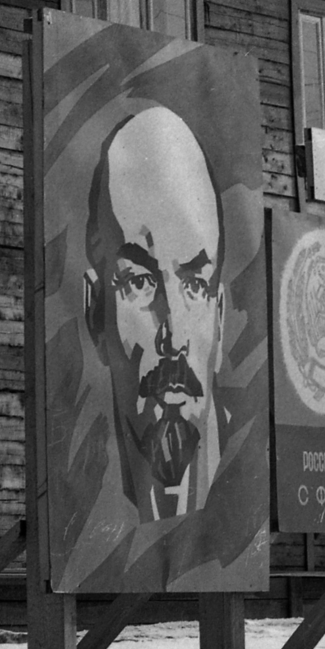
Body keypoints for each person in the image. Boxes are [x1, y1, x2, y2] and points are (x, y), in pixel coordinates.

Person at [83, 106, 227, 522]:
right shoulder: (86, 481)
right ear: (95, 312)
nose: (174, 336)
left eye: (196, 286)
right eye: (140, 281)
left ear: (220, 319)